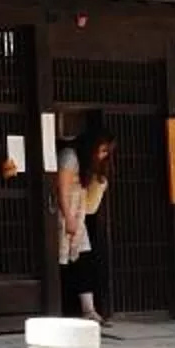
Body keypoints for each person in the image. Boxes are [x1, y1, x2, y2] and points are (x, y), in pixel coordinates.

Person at [56, 120, 115, 333]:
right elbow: (61, 189)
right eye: (102, 150)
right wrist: (69, 218)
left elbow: (89, 204)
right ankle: (59, 308)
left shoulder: (85, 163)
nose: (103, 155)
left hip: (78, 215)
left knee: (84, 261)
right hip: (64, 214)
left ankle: (88, 309)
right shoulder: (70, 157)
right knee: (62, 262)